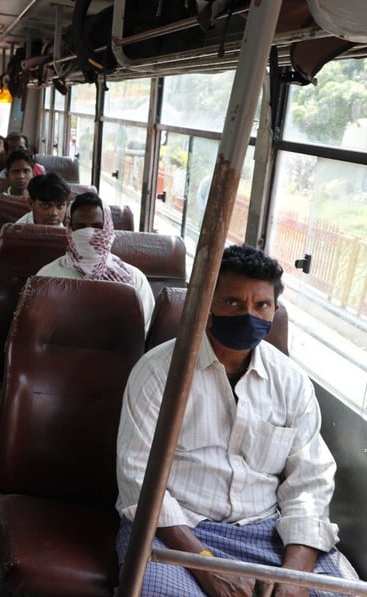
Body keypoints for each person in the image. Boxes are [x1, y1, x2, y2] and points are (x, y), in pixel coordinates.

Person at [116, 245, 361, 595]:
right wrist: (205, 564)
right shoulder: (158, 374)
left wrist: (294, 576)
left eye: (261, 305)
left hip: (268, 531)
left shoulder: (291, 383)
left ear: (275, 310)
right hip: (178, 529)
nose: (249, 315)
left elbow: (310, 483)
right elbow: (137, 480)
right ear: (206, 306)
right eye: (232, 302)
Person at [36, 192, 154, 330]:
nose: (89, 234)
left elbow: (141, 333)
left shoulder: (134, 279)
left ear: (108, 229)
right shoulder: (47, 277)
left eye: (97, 227)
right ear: (70, 230)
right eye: (81, 227)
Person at [0, 148, 35, 222]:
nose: (21, 176)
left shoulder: (40, 204)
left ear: (33, 173)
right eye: (15, 172)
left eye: (26, 171)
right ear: (7, 175)